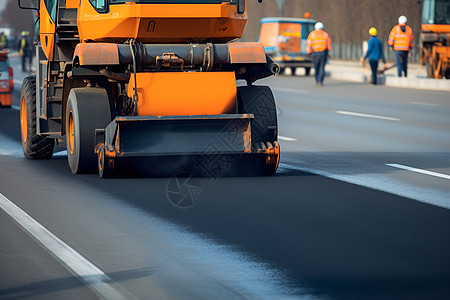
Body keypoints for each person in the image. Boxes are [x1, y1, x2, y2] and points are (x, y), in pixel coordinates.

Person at [306, 21, 332, 86]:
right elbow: (328, 45)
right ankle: (320, 81)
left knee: (316, 67)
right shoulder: (325, 34)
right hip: (323, 53)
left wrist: (309, 53)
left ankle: (317, 80)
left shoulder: (312, 34)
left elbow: (309, 44)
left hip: (315, 53)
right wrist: (328, 54)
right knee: (322, 67)